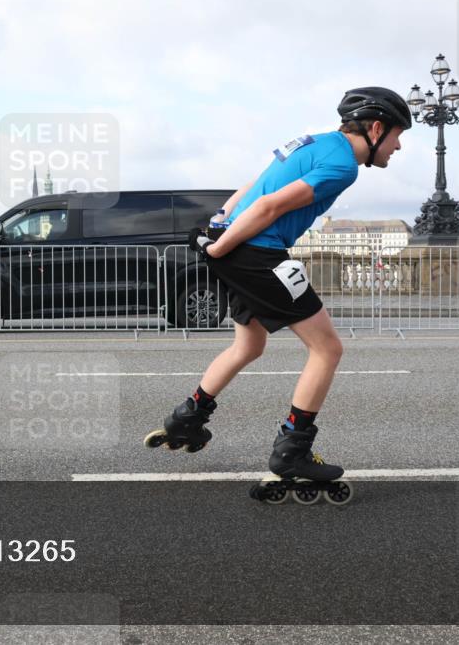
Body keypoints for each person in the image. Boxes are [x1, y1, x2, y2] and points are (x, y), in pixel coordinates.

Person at [145, 87, 411, 498]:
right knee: (328, 349)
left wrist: (219, 222)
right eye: (397, 135)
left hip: (236, 242)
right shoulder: (343, 166)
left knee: (248, 346)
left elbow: (255, 183)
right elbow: (269, 205)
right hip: (258, 252)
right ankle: (292, 451)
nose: (397, 146)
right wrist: (219, 246)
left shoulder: (313, 141)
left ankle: (187, 418)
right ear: (376, 128)